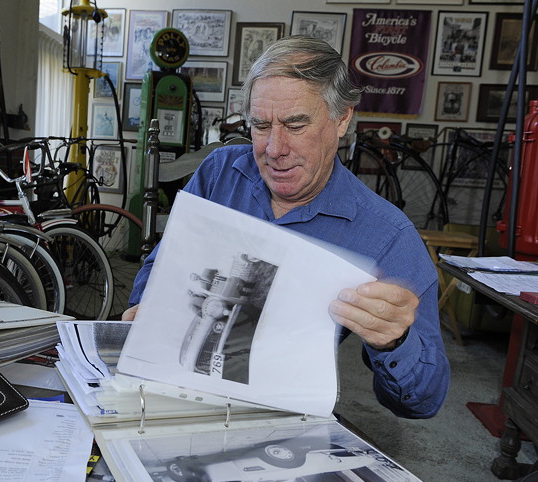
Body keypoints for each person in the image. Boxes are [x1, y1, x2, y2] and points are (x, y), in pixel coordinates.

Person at [122, 35, 449, 419]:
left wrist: (395, 341)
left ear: (342, 119)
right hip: (176, 384)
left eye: (295, 125)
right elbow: (159, 269)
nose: (274, 149)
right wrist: (147, 306)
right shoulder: (220, 174)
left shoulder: (388, 237)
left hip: (279, 418)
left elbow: (425, 402)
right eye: (261, 125)